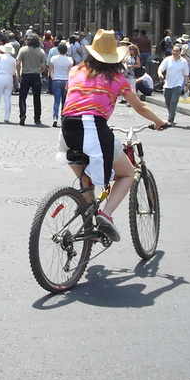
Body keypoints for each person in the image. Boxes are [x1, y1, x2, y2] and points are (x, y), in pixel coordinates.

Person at [60, 30, 168, 242]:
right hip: (93, 128)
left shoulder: (75, 70)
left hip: (67, 129)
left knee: (85, 180)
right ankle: (105, 215)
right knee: (127, 173)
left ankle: (89, 224)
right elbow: (141, 107)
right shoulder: (117, 79)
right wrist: (159, 122)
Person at [16, 34, 47, 125]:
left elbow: (18, 63)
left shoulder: (23, 50)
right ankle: (37, 117)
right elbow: (43, 66)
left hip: (26, 75)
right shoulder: (41, 51)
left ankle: (22, 115)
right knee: (37, 97)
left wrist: (18, 74)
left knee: (22, 97)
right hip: (36, 76)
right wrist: (40, 72)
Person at [157, 44, 190, 126]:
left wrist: (186, 85)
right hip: (168, 84)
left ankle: (171, 118)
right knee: (168, 102)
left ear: (180, 52)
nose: (175, 52)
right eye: (174, 51)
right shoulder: (167, 59)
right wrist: (160, 74)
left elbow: (186, 75)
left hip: (177, 85)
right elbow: (160, 68)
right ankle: (171, 114)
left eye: (177, 51)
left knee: (173, 102)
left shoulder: (183, 62)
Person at [49, 42, 73, 127]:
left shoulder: (53, 58)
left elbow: (51, 70)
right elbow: (70, 72)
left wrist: (53, 78)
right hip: (66, 80)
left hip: (56, 79)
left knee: (56, 101)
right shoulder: (70, 60)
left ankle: (55, 117)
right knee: (65, 101)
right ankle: (63, 117)